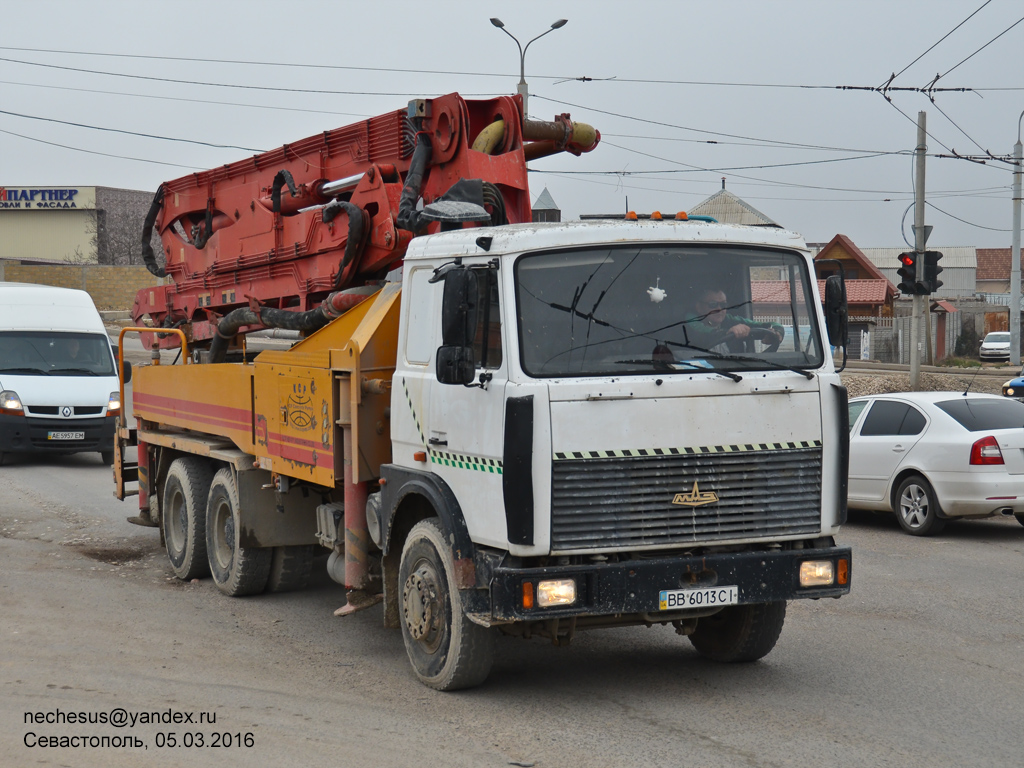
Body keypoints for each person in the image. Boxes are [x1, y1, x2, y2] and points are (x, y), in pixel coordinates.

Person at [682, 287, 784, 354]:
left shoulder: (731, 320)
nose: (719, 309)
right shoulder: (688, 323)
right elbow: (703, 333)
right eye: (713, 304)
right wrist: (728, 332)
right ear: (699, 307)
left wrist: (777, 332)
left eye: (723, 304)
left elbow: (771, 325)